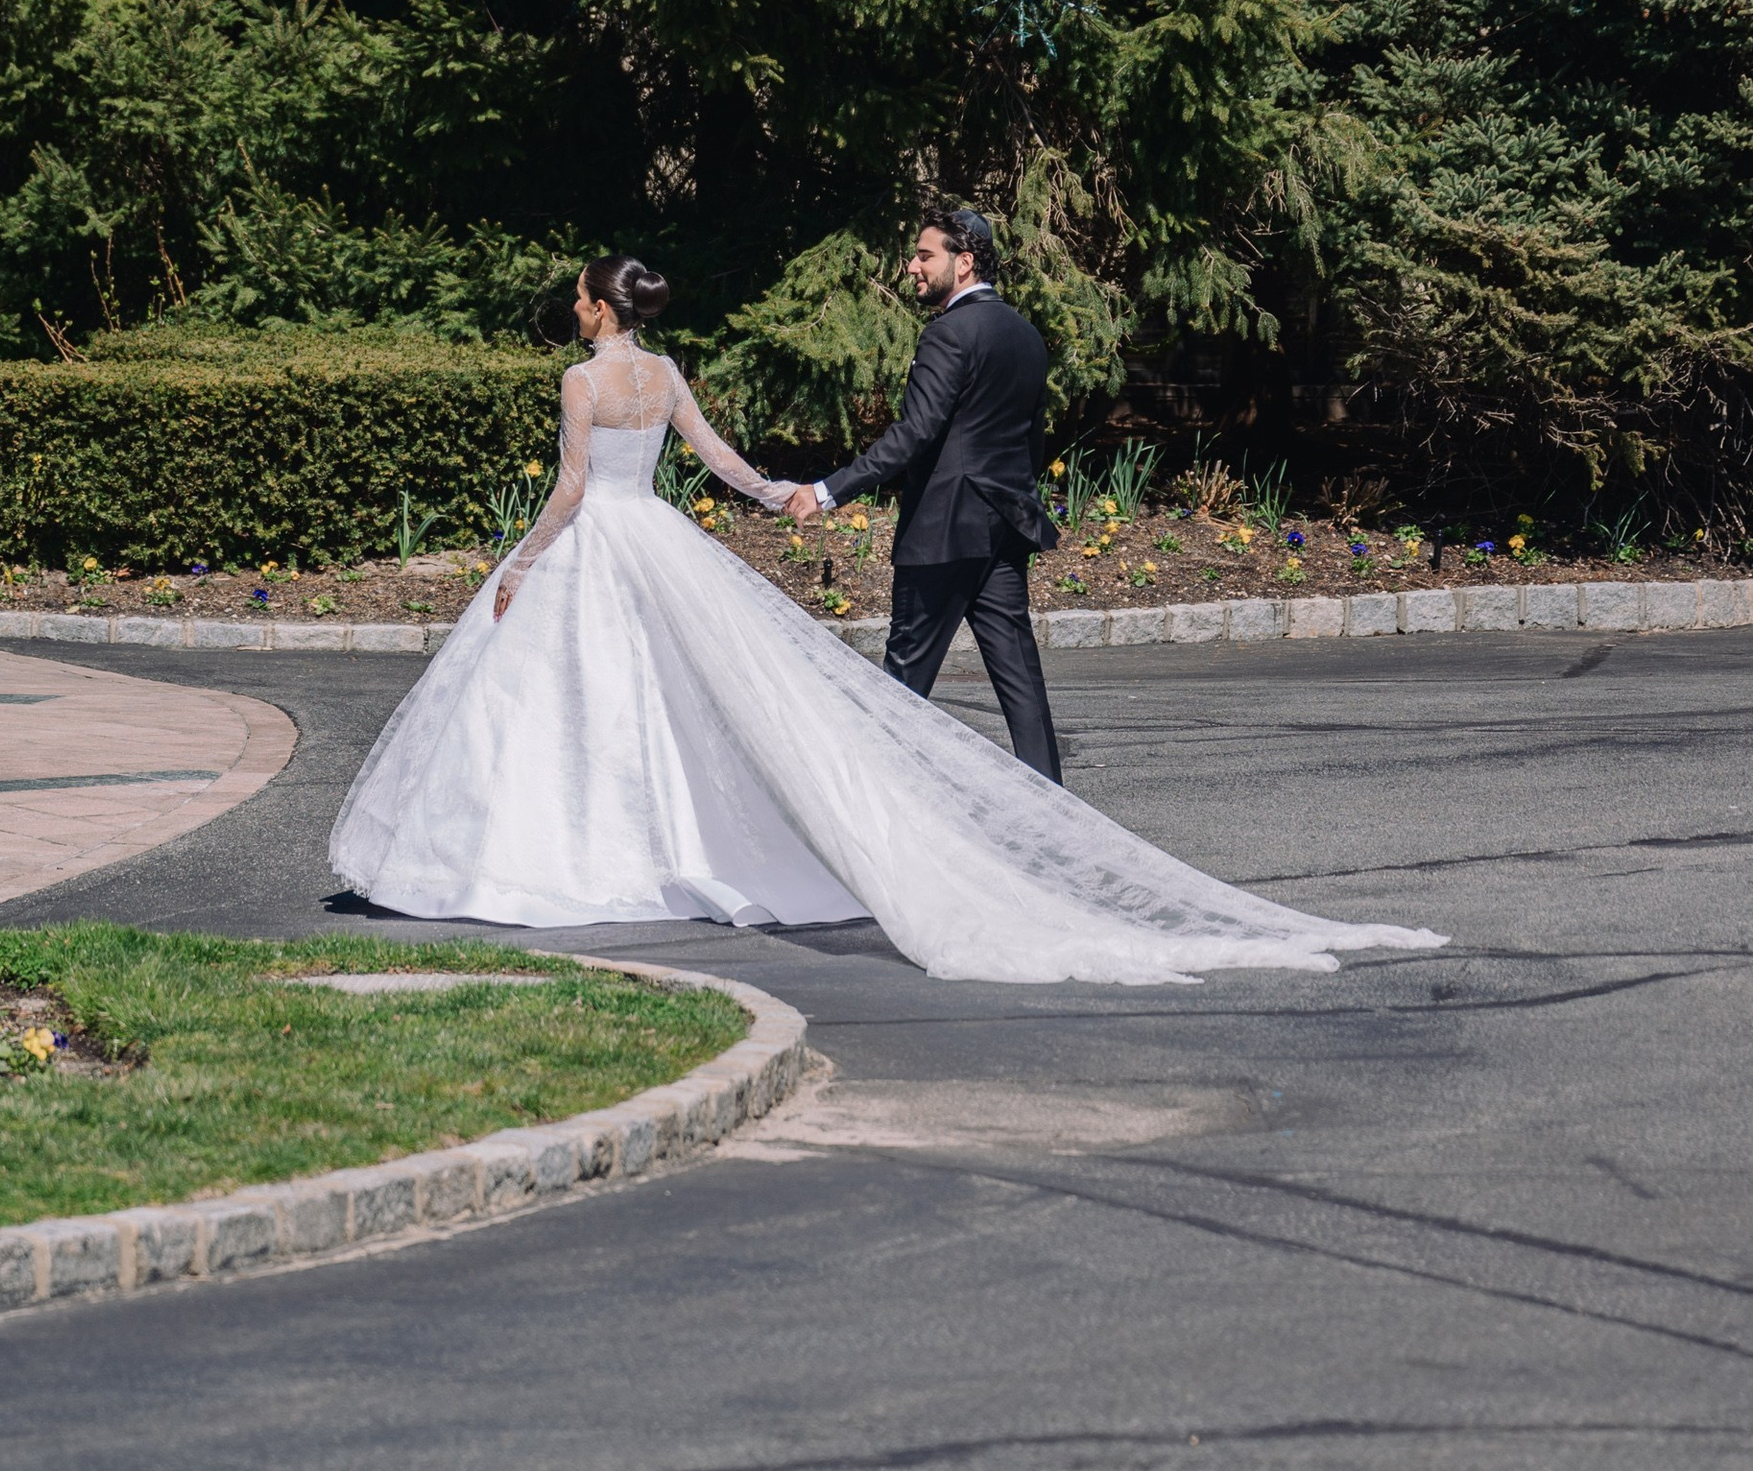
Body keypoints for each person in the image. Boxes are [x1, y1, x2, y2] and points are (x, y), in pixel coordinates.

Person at [330, 252, 1440, 987]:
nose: (575, 310)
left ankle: (575, 852)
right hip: (657, 541)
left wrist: (520, 561)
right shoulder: (664, 374)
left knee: (567, 706)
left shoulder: (584, 380)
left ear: (598, 309)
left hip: (595, 546)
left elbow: (572, 493)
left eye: (579, 297)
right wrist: (784, 497)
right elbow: (718, 463)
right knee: (664, 700)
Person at [787, 202, 1061, 781]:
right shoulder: (1026, 335)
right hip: (1003, 528)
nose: (911, 265)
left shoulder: (948, 334)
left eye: (923, 254)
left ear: (963, 264)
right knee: (1021, 681)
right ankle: (1056, 807)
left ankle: (881, 813)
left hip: (942, 531)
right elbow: (1030, 443)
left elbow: (915, 433)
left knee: (903, 684)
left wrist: (827, 490)